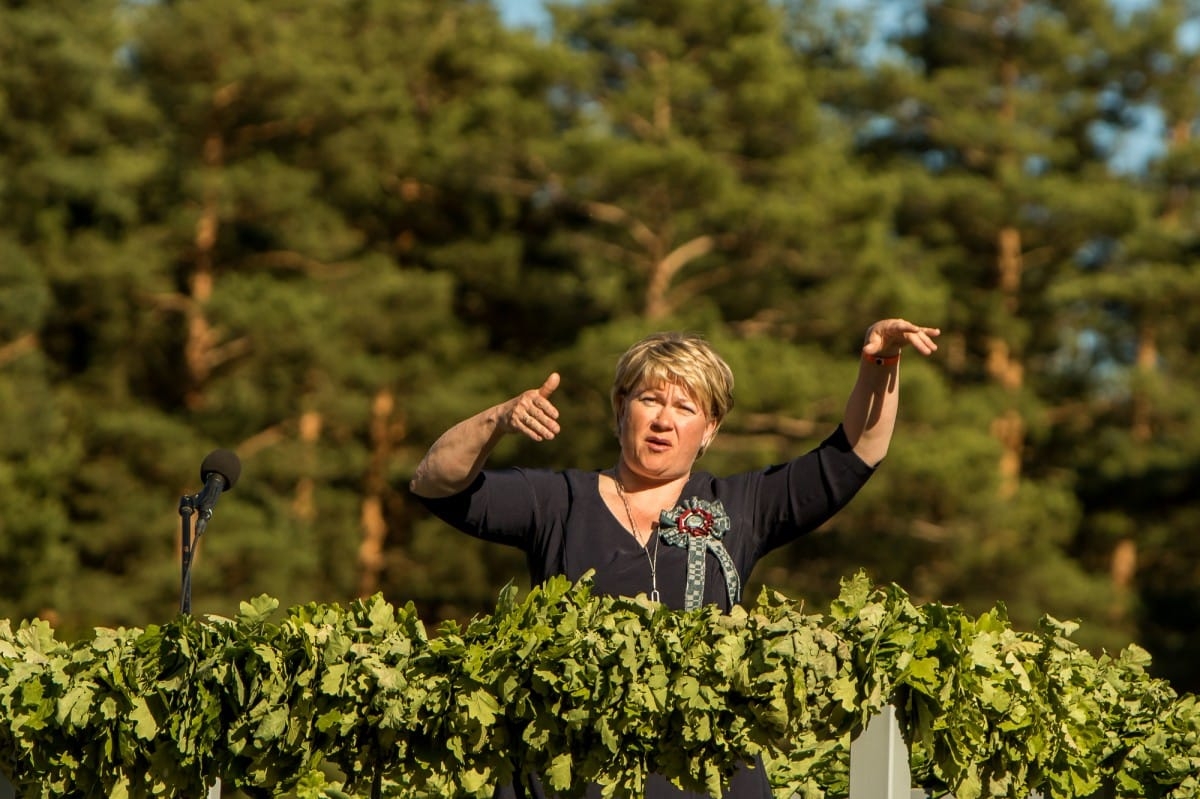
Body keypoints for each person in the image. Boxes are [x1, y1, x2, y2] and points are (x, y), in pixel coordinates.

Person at [409, 318, 940, 799]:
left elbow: (858, 451)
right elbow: (435, 483)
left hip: (708, 779)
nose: (664, 420)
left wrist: (880, 363)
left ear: (709, 430)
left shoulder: (741, 506)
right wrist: (496, 420)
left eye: (685, 408)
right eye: (649, 400)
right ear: (621, 409)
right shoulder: (556, 502)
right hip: (570, 776)